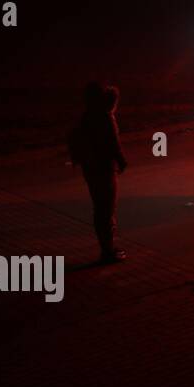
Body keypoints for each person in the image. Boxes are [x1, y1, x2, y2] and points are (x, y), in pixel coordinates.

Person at [68, 82, 127, 262]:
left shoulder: (85, 117)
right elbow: (113, 143)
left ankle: (106, 247)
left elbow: (74, 140)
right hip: (105, 168)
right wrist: (122, 161)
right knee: (106, 209)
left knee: (99, 208)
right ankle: (108, 251)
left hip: (90, 168)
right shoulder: (104, 117)